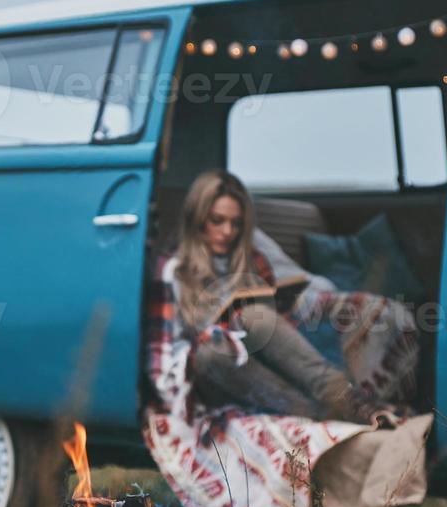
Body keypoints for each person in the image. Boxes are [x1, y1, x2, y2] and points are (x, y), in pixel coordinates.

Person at [150, 169, 415, 424]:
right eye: (217, 221)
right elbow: (165, 352)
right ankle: (317, 413)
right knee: (214, 352)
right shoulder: (174, 270)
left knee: (258, 315)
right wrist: (214, 335)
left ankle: (350, 404)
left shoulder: (247, 259)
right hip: (212, 367)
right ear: (197, 220)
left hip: (258, 364)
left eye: (236, 224)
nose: (227, 232)